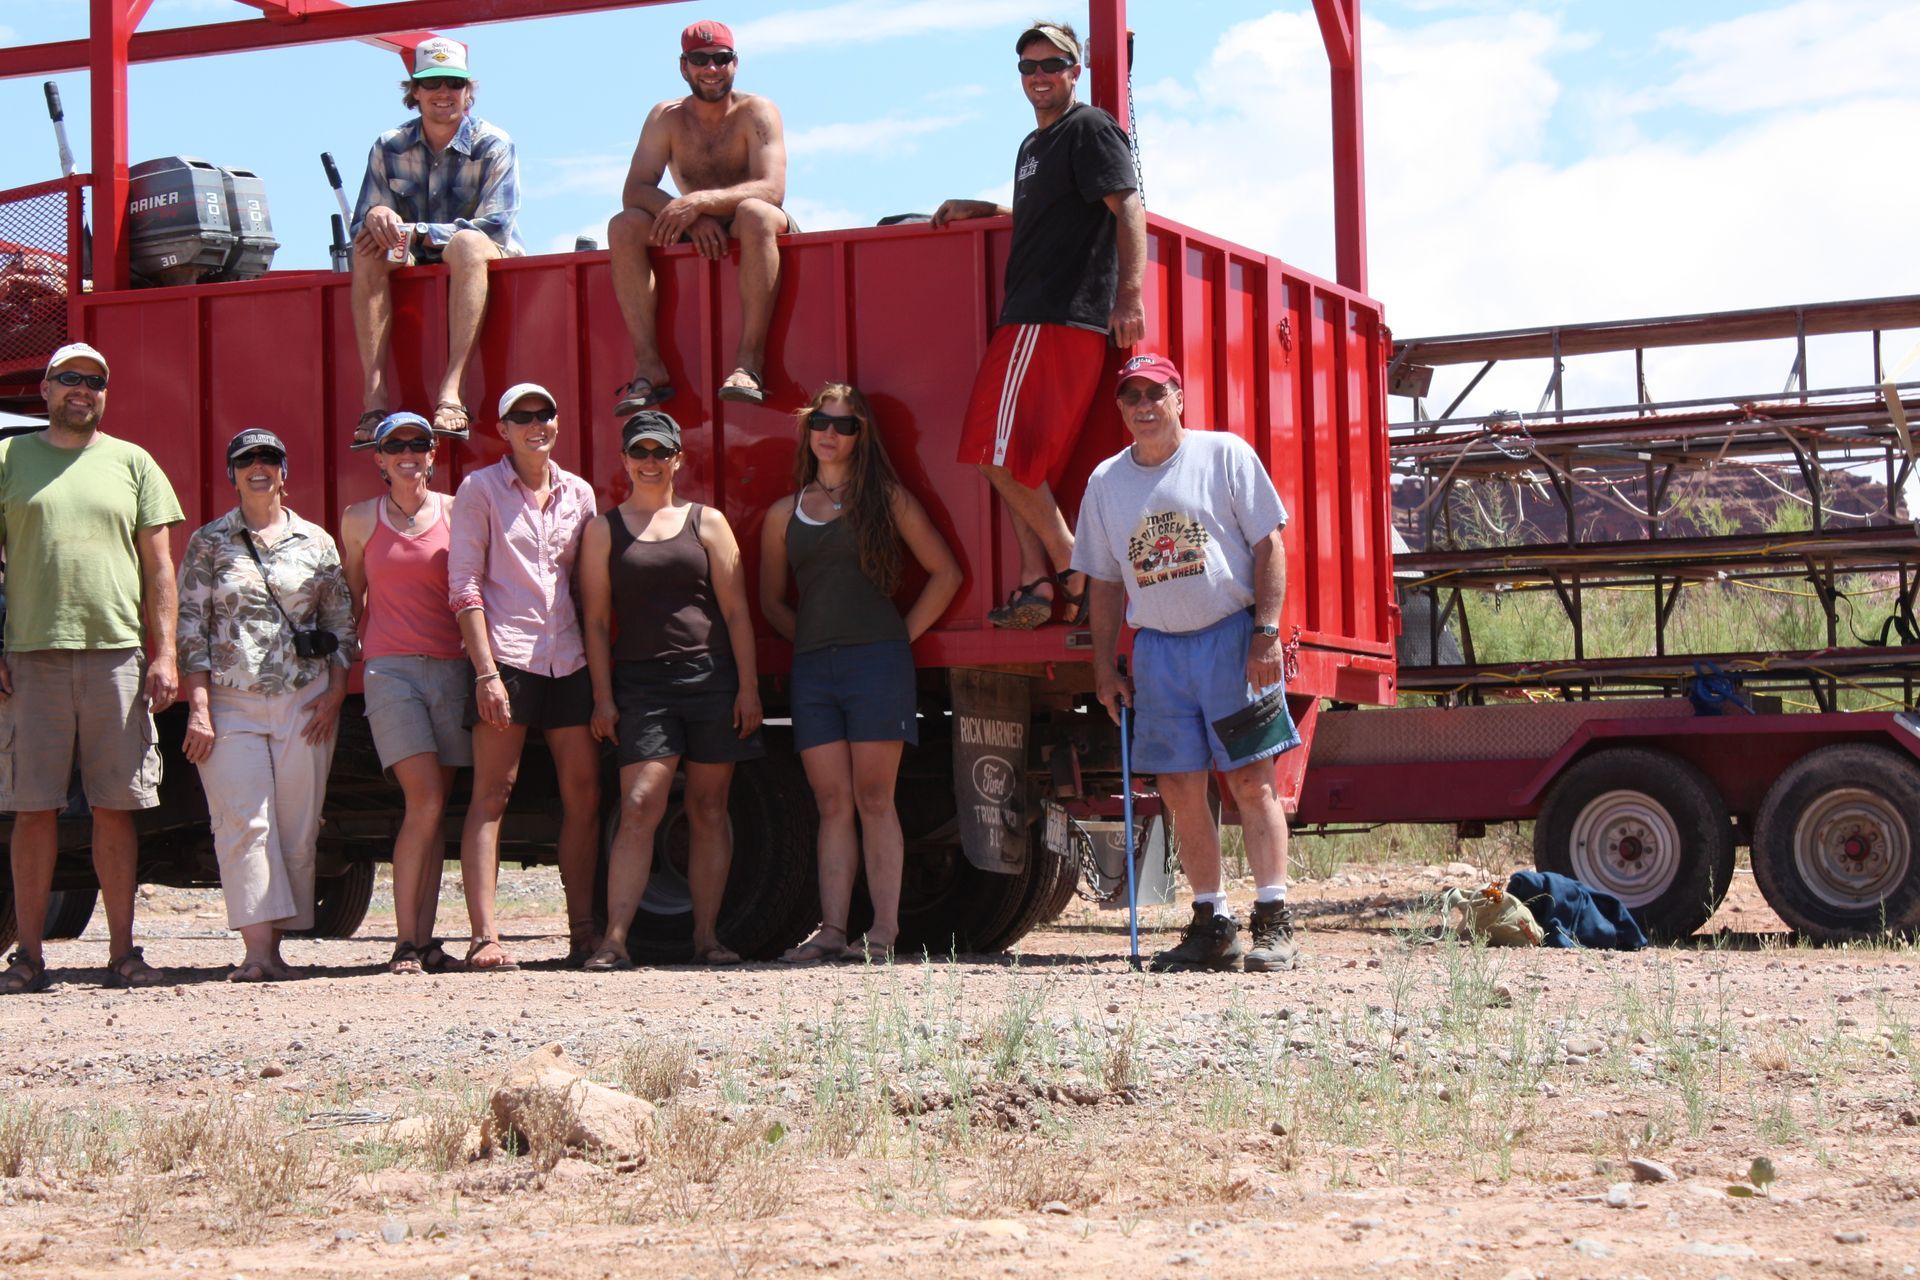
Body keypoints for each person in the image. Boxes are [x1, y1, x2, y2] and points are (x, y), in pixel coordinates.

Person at [1073, 354, 1301, 974]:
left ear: (1180, 397)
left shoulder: (1222, 454)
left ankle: (1275, 918)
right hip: (1159, 652)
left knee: (1252, 781)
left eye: (1156, 392)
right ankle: (1213, 922)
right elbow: (1103, 581)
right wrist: (1104, 667)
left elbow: (1269, 544)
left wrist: (1265, 634)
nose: (1143, 404)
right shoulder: (1106, 483)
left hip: (1229, 637)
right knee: (1177, 787)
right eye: (1130, 395)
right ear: (1120, 408)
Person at [932, 20, 1146, 630]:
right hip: (1032, 317)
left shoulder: (1089, 127)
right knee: (1021, 463)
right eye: (1027, 67)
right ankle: (1038, 586)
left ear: (1075, 70)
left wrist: (1129, 295)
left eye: (1052, 65)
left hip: (1053, 316)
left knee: (991, 452)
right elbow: (1054, 210)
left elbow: (1128, 204)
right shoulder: (1034, 146)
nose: (1039, 76)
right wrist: (990, 209)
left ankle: (1077, 566)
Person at [0, 343, 182, 995]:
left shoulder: (132, 463)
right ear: (46, 388)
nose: (83, 389)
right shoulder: (9, 457)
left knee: (115, 808)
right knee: (32, 810)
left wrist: (164, 652)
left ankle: (123, 954)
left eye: (95, 381)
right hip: (31, 656)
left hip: (117, 658)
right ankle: (27, 957)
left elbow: (160, 566)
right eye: (70, 378)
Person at [759, 384, 961, 963]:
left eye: (845, 425)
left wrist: (898, 639)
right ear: (809, 428)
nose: (831, 433)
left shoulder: (887, 499)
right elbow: (772, 600)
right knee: (831, 803)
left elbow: (944, 573)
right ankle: (831, 930)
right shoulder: (782, 513)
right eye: (822, 421)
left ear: (861, 435)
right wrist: (816, 642)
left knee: (875, 798)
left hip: (879, 665)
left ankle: (885, 932)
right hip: (813, 672)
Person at [580, 410, 763, 970]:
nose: (651, 462)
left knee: (709, 808)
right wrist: (603, 696)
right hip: (642, 684)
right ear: (625, 460)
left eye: (661, 452)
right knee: (640, 805)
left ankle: (706, 938)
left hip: (711, 679)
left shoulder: (706, 523)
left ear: (679, 458)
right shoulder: (602, 530)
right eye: (641, 452)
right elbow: (594, 622)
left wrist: (749, 689)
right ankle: (614, 940)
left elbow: (736, 612)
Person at [177, 430, 356, 981]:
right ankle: (259, 953)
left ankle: (278, 948)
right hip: (231, 701)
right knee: (242, 823)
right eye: (246, 460)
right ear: (231, 473)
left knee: (296, 827)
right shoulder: (209, 542)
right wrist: (199, 708)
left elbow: (342, 626)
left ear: (285, 471)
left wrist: (335, 694)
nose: (259, 467)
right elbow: (191, 631)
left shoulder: (318, 542)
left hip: (305, 700)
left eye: (269, 459)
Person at [447, 383, 600, 971]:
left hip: (570, 658)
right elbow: (465, 588)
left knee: (583, 795)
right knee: (494, 792)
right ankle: (485, 937)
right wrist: (486, 673)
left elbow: (586, 588)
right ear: (502, 430)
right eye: (522, 416)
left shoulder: (578, 493)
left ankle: (582, 932)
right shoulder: (479, 489)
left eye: (546, 413)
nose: (537, 423)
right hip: (507, 658)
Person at [608, 19, 793, 413]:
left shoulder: (757, 111)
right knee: (624, 226)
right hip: (696, 223)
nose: (711, 69)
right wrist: (691, 217)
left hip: (751, 222)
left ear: (735, 63)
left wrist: (701, 203)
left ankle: (749, 364)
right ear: (683, 66)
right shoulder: (666, 117)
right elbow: (635, 190)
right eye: (700, 59)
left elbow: (772, 189)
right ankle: (648, 367)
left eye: (721, 59)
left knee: (754, 213)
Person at [349, 36, 523, 447]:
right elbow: (364, 221)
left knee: (464, 244)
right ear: (414, 91)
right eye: (432, 83)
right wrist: (375, 215)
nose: (443, 93)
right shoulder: (387, 145)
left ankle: (451, 394)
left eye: (454, 83)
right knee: (369, 250)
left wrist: (418, 231)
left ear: (469, 91)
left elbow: (494, 226)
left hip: (483, 254)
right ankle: (374, 400)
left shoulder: (494, 143)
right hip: (412, 254)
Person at [339, 412, 467, 975]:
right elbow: (350, 602)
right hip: (389, 672)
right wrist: (335, 683)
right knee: (425, 800)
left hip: (452, 671)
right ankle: (404, 944)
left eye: (420, 443)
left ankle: (425, 938)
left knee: (435, 812)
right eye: (397, 445)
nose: (409, 453)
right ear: (380, 459)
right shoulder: (360, 520)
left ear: (433, 456)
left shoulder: (459, 513)